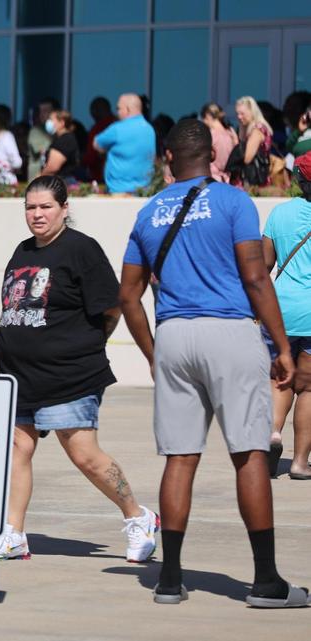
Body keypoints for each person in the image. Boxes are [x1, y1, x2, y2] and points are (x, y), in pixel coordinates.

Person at [119, 119, 307, 607]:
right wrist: (282, 346)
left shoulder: (148, 213)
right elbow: (256, 277)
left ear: (168, 158)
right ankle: (266, 582)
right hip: (230, 331)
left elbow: (128, 296)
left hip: (175, 335)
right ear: (214, 158)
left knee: (180, 457)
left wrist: (153, 352)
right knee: (248, 453)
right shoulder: (233, 202)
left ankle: (169, 579)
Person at [0, 175, 159, 561]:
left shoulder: (81, 249)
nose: (37, 215)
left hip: (71, 375)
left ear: (65, 209)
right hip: (19, 375)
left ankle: (138, 517)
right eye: (30, 208)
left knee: (83, 453)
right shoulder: (22, 251)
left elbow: (112, 306)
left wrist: (85, 346)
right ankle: (14, 532)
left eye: (46, 207)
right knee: (18, 448)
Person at [262, 152, 311, 479]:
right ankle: (299, 463)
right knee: (308, 387)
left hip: (280, 310)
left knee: (279, 378)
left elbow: (264, 266)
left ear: (299, 180)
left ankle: (272, 434)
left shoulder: (279, 213)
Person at [93, 93, 156, 194]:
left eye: (118, 108)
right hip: (144, 193)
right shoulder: (150, 129)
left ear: (127, 109)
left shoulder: (117, 129)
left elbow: (96, 143)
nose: (116, 112)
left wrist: (105, 150)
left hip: (118, 192)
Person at [229, 96, 274, 188]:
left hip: (253, 181)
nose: (239, 117)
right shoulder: (252, 129)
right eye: (237, 114)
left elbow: (247, 158)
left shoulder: (257, 131)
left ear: (252, 111)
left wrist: (235, 142)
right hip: (256, 178)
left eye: (242, 113)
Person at [201, 102, 239, 183]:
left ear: (208, 116)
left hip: (213, 179)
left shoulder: (211, 135)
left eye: (203, 118)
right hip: (228, 179)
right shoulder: (231, 132)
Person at [39, 110, 80, 182]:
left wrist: (39, 178)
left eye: (51, 119)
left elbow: (53, 167)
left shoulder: (66, 140)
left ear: (62, 123)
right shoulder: (58, 138)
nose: (48, 122)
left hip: (63, 182)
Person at [83, 96, 117, 184]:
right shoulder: (119, 124)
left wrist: (81, 161)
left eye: (93, 110)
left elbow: (91, 156)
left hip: (101, 174)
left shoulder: (98, 128)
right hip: (118, 174)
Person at [27, 97, 59, 181]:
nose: (41, 114)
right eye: (40, 111)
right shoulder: (36, 131)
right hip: (38, 180)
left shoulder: (59, 132)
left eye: (45, 111)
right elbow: (44, 152)